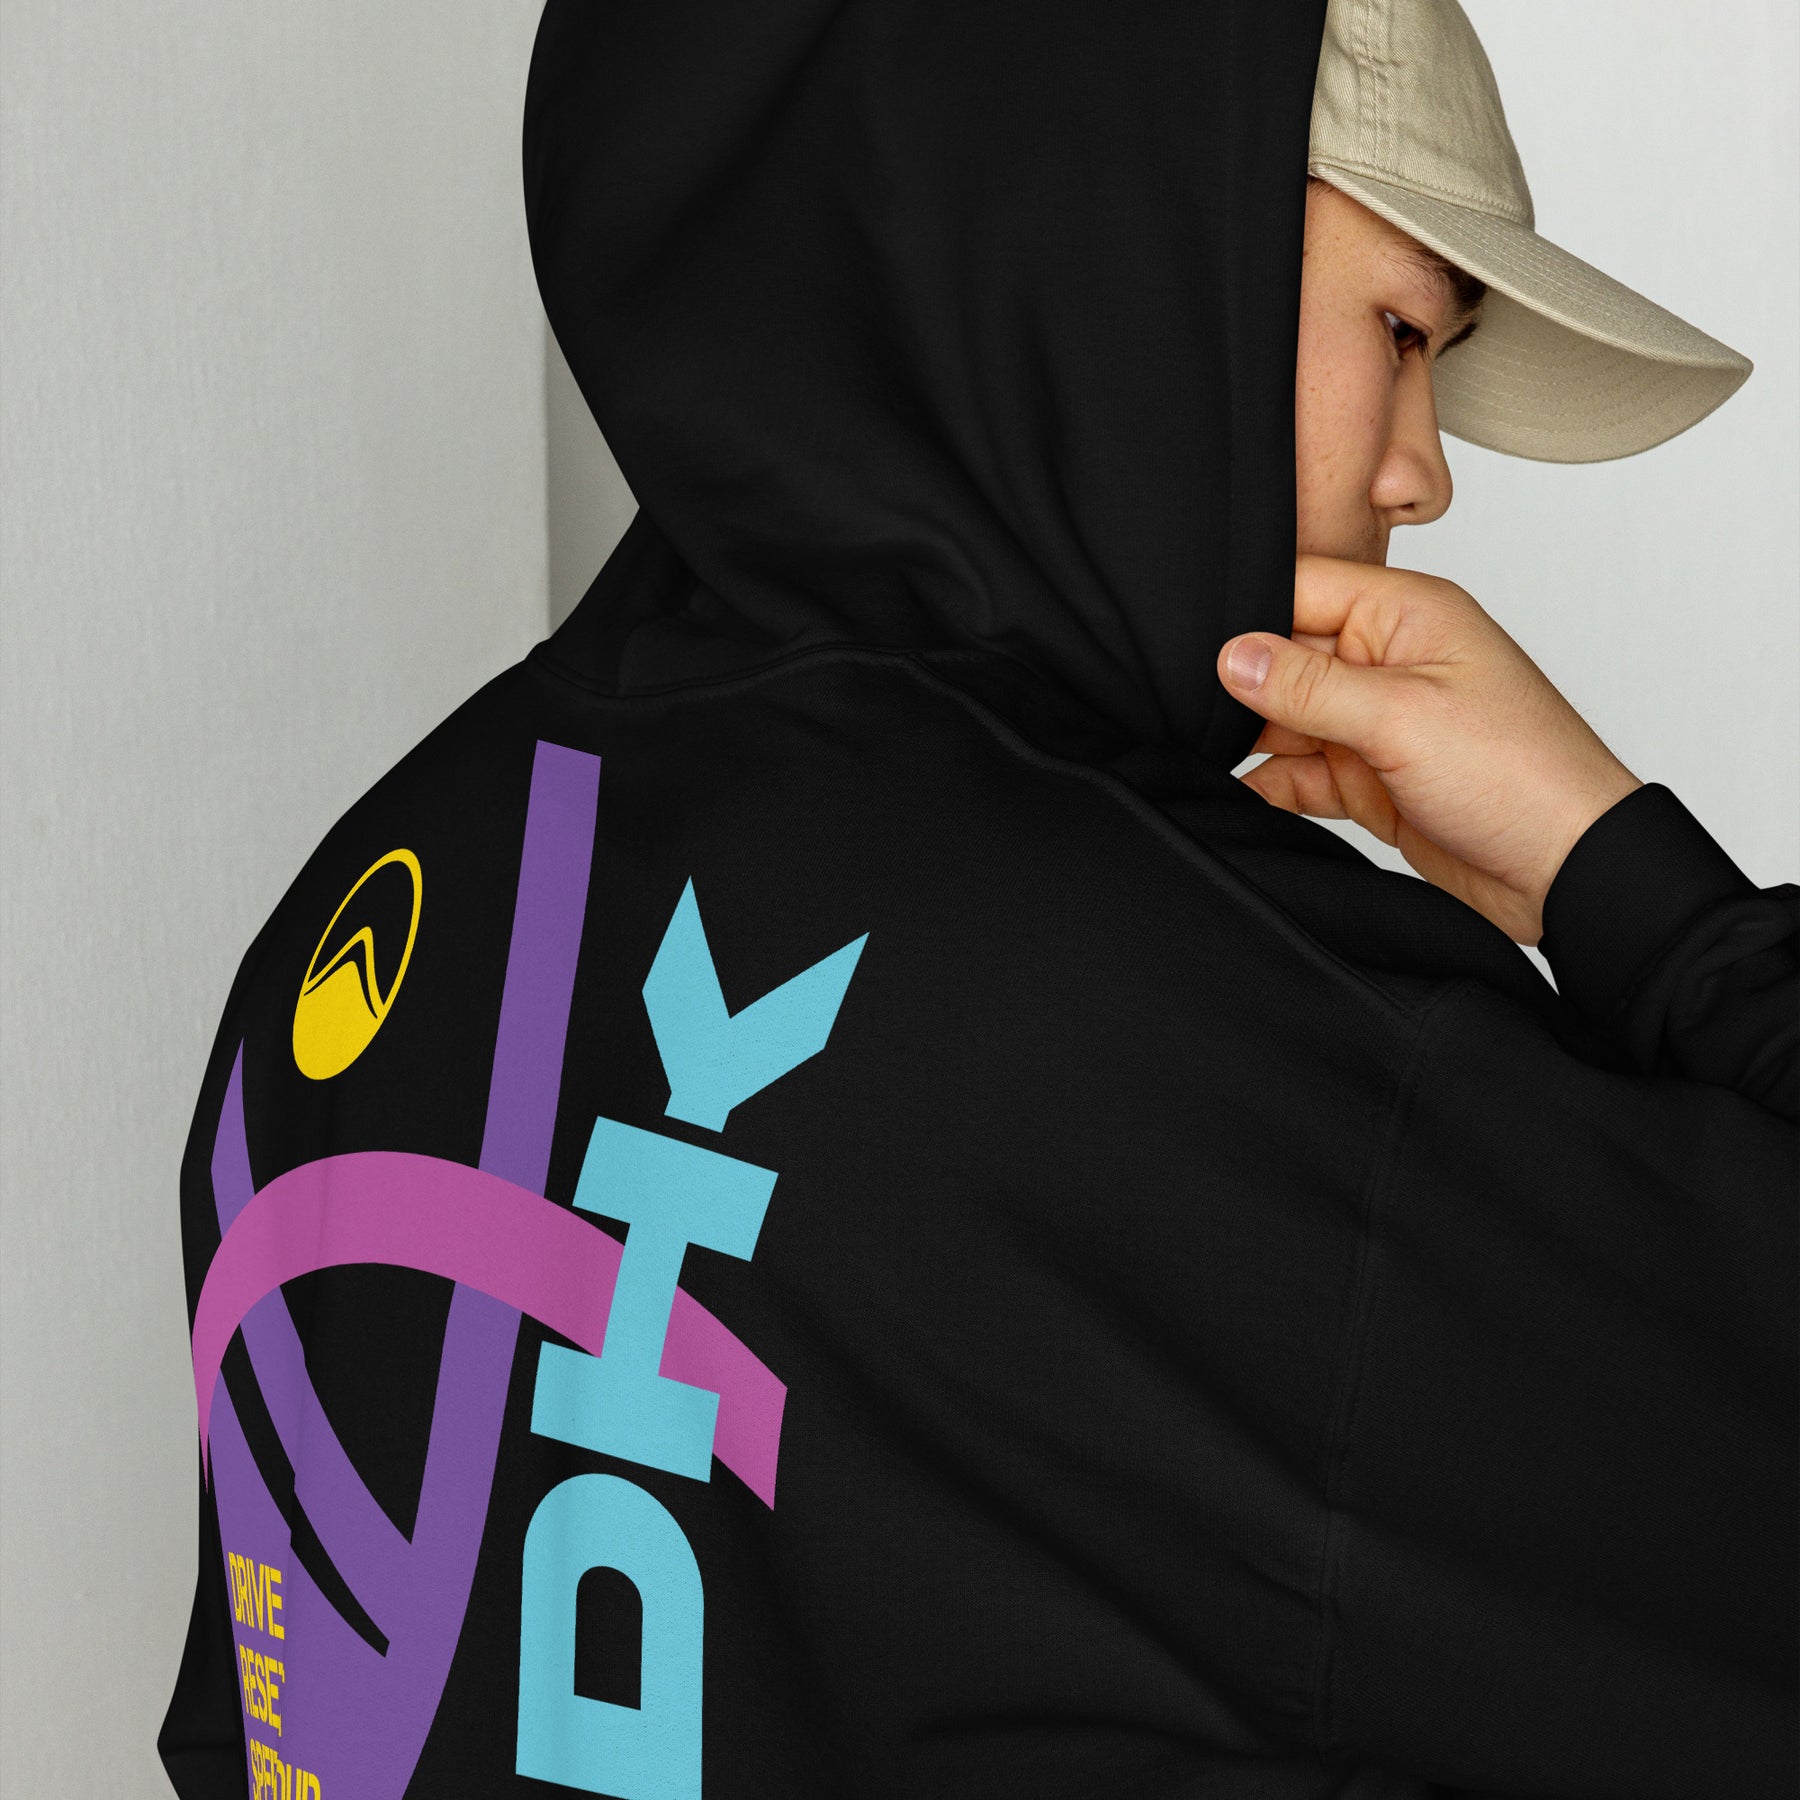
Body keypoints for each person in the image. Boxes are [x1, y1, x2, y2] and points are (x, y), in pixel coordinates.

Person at [159, 2, 1797, 1796]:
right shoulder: (1218, 1045)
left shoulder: (372, 899)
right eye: (1403, 332)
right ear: (1127, 249)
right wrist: (1626, 881)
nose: (1426, 469)